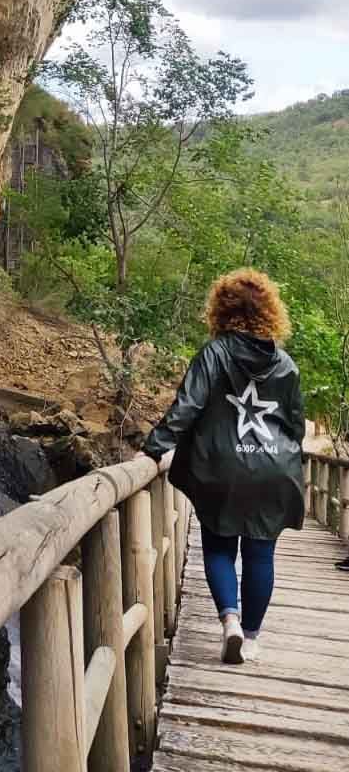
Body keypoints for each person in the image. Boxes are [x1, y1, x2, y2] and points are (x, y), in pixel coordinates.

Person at [144, 268, 305, 664]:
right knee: (260, 554)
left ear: (221, 309)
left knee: (218, 546)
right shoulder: (284, 365)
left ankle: (229, 621)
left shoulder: (214, 354)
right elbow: (295, 426)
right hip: (271, 470)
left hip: (221, 468)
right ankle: (250, 639)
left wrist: (154, 448)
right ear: (270, 311)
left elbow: (187, 406)